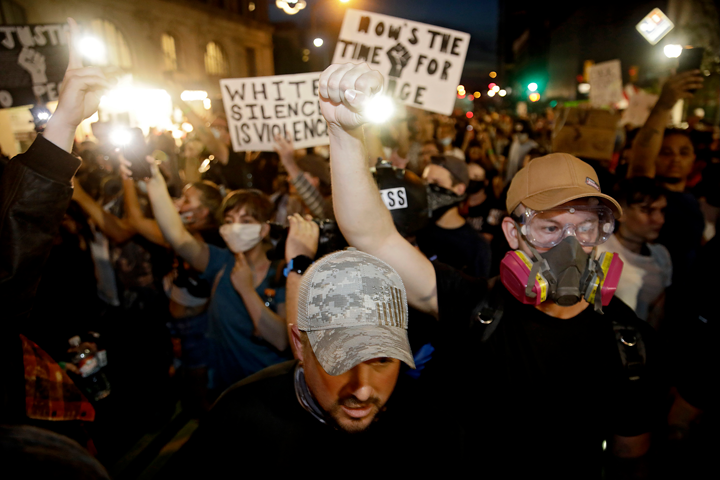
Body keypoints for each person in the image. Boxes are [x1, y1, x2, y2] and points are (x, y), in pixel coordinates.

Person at [317, 63, 664, 477]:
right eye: (550, 227)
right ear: (513, 234)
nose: (570, 245)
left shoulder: (630, 344)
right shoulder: (477, 307)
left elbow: (630, 457)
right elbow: (371, 235)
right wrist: (343, 133)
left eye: (586, 227)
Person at [163, 215, 462, 476]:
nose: (363, 389)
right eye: (340, 359)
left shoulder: (425, 422)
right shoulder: (241, 415)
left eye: (382, 359)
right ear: (300, 344)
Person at [144, 162, 290, 392]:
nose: (235, 228)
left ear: (263, 230)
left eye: (246, 221)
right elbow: (177, 237)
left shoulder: (282, 273)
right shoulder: (221, 261)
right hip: (227, 385)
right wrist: (154, 182)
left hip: (267, 389)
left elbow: (282, 339)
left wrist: (247, 290)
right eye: (230, 221)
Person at [629, 70, 706, 285]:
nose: (675, 160)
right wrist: (664, 104)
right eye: (666, 152)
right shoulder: (648, 197)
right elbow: (641, 161)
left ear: (693, 159)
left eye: (683, 153)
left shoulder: (694, 203)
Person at [597, 178, 671, 329]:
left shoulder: (661, 256)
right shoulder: (598, 251)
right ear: (621, 212)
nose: (659, 220)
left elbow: (656, 312)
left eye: (662, 210)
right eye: (647, 211)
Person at [417, 154, 491, 277]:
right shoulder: (415, 230)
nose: (427, 188)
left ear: (459, 189)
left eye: (436, 183)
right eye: (424, 181)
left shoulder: (476, 246)